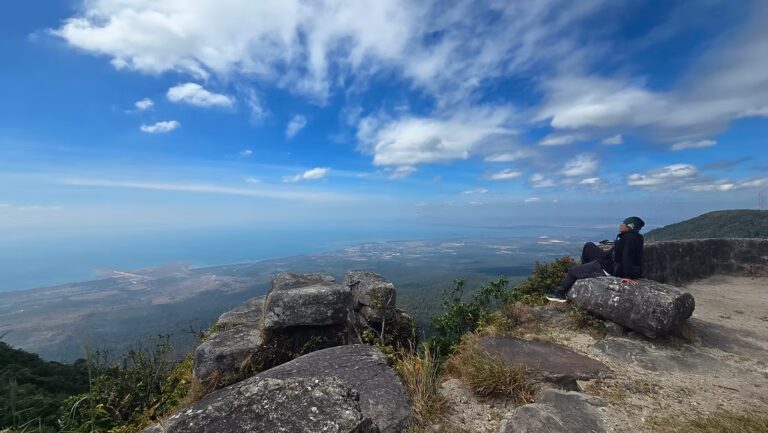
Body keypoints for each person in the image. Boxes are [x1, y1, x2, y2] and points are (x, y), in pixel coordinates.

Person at [545, 216, 645, 303]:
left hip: (609, 267)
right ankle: (586, 270)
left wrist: (627, 276)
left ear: (630, 226)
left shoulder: (629, 238)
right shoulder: (632, 237)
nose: (621, 224)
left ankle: (560, 294)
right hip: (608, 260)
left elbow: (627, 256)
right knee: (589, 246)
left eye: (624, 223)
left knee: (572, 271)